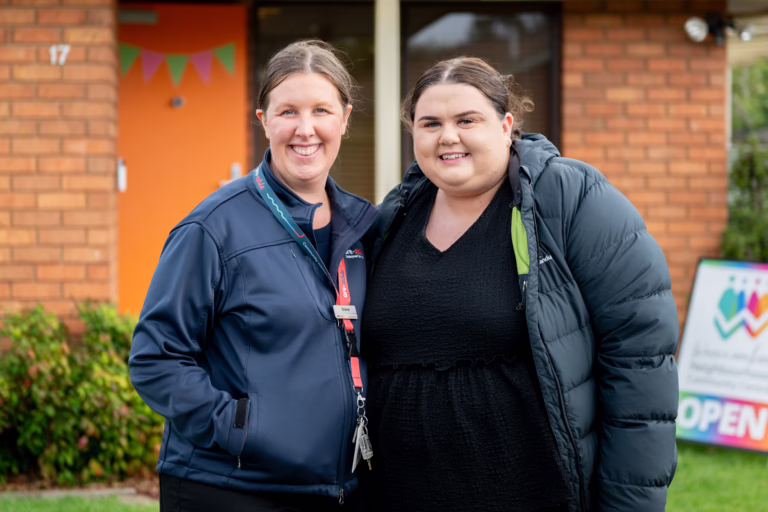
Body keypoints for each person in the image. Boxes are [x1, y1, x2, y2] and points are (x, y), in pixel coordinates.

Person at [361, 57, 679, 512]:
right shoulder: (394, 216)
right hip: (399, 494)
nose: (448, 136)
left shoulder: (571, 198)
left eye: (467, 120)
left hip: (530, 493)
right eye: (430, 123)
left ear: (506, 124)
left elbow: (640, 360)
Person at [129, 40, 378, 512]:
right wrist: (240, 427)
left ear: (344, 119)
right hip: (231, 489)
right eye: (288, 112)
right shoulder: (213, 228)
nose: (305, 130)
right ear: (263, 120)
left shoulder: (366, 228)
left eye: (321, 110)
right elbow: (155, 358)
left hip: (337, 491)